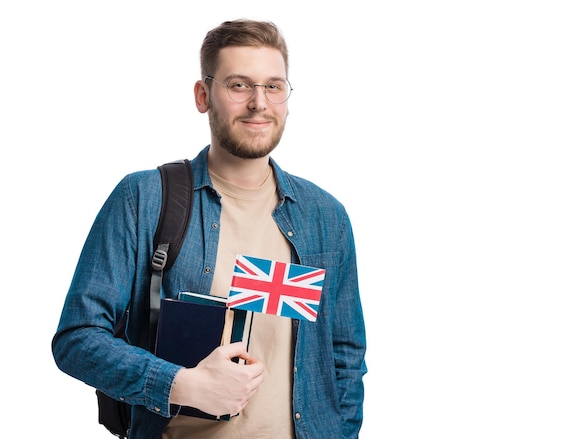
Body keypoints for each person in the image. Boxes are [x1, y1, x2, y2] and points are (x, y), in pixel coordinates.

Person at [52, 19, 367, 439]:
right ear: (203, 96)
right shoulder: (144, 198)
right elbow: (78, 338)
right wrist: (181, 385)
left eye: (274, 86)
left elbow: (344, 357)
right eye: (239, 85)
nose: (259, 102)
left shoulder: (324, 217)